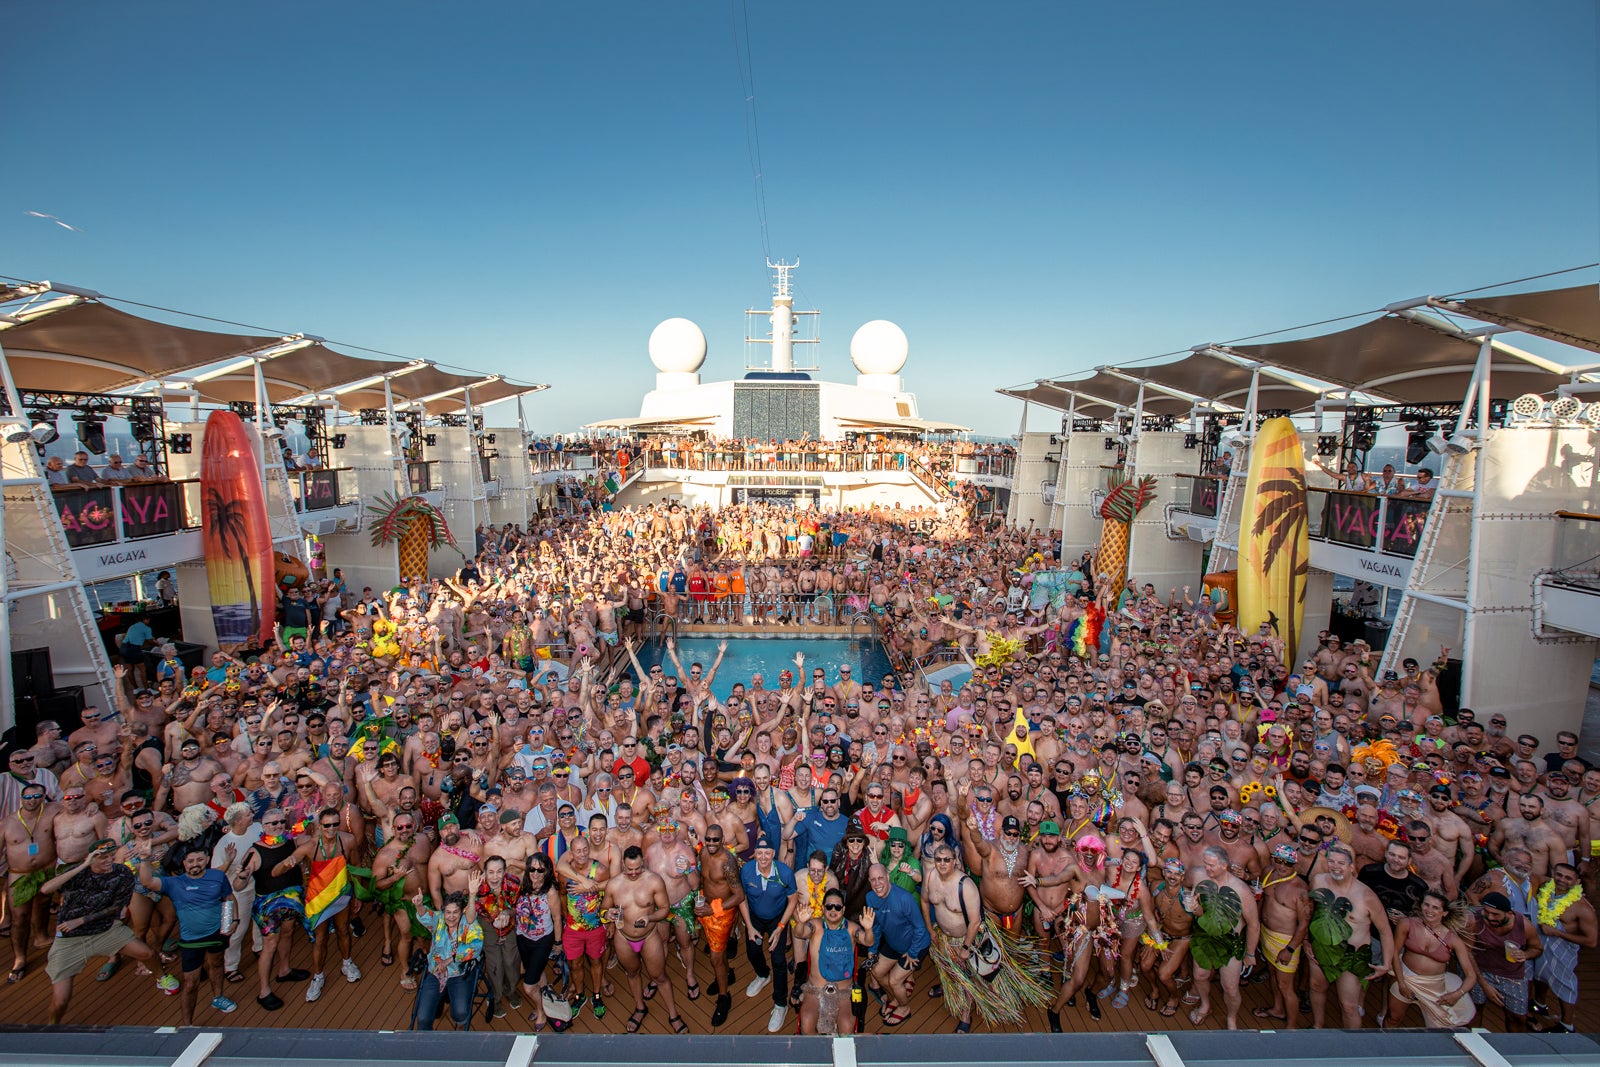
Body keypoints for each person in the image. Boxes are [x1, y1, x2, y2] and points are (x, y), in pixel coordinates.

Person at [39, 838, 153, 1023]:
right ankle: (52, 1027)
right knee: (60, 1001)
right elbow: (46, 889)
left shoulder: (122, 873)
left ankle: (161, 977)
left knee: (147, 953)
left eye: (111, 856)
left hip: (104, 930)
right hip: (70, 939)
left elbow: (117, 907)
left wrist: (81, 920)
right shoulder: (77, 873)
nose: (108, 860)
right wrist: (83, 865)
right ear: (92, 858)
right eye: (102, 857)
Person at [138, 844, 239, 1023]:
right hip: (191, 940)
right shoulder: (174, 883)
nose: (195, 864)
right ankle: (188, 1025)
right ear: (184, 863)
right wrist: (145, 859)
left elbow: (228, 898)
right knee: (191, 983)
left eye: (200, 860)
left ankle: (218, 998)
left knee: (216, 964)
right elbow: (147, 882)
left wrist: (231, 921)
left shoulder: (218, 876)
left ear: (207, 860)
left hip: (217, 933)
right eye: (190, 861)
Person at [271, 805, 361, 1001]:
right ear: (319, 826)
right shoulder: (310, 847)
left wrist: (357, 896)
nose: (331, 828)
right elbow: (277, 871)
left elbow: (355, 868)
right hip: (318, 896)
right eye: (327, 825)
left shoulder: (348, 841)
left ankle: (347, 962)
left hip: (341, 893)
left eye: (335, 824)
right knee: (320, 938)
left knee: (343, 930)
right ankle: (318, 976)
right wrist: (287, 863)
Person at [1385, 889, 1477, 1029]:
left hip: (1434, 985)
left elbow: (1471, 975)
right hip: (1405, 977)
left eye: (1435, 907)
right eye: (1426, 905)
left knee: (1442, 1026)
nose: (1429, 910)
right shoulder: (1406, 924)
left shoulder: (1453, 939)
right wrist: (1402, 983)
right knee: (1393, 1018)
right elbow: (1394, 954)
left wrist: (1457, 994)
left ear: (1444, 912)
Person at [738, 833, 797, 1032]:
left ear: (773, 854)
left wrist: (781, 928)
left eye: (767, 853)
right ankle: (763, 975)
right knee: (752, 952)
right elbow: (742, 898)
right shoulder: (746, 871)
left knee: (778, 960)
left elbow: (793, 900)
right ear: (754, 854)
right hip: (754, 917)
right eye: (759, 853)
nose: (763, 857)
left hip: (776, 920)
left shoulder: (784, 873)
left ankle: (781, 1004)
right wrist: (748, 925)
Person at [1527, 862, 1596, 1032]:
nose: (1562, 880)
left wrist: (1557, 933)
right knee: (1540, 973)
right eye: (1559, 875)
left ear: (1577, 882)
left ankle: (1566, 1025)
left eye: (1568, 878)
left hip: (1562, 950)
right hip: (1541, 943)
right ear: (1553, 874)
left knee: (1565, 984)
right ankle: (1539, 1004)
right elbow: (1531, 876)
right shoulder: (1546, 889)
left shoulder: (1583, 908)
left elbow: (1592, 941)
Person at [411, 875, 484, 1030]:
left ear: (461, 912)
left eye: (455, 912)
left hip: (458, 973)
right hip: (436, 972)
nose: (451, 917)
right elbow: (425, 916)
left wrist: (451, 959)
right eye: (448, 912)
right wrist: (419, 905)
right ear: (443, 912)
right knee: (423, 1018)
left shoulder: (469, 924)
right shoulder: (438, 920)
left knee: (460, 1013)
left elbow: (476, 947)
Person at [797, 887, 874, 1035]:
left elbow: (868, 941)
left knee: (846, 1027)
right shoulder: (815, 926)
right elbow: (799, 933)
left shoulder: (852, 929)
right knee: (806, 1023)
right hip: (816, 990)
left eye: (837, 907)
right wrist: (801, 922)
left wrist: (868, 929)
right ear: (823, 908)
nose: (833, 910)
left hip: (843, 992)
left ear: (843, 909)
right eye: (829, 906)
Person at [1471, 890, 1543, 1031]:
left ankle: (1513, 1049)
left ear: (1509, 913)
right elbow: (1467, 953)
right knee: (1473, 1011)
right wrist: (1484, 984)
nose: (1489, 917)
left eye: (1495, 914)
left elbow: (1537, 948)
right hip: (1480, 970)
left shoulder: (1524, 925)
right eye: (1486, 912)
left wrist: (1525, 954)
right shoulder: (1475, 920)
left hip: (1511, 975)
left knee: (1517, 1017)